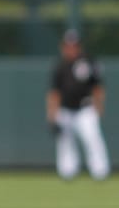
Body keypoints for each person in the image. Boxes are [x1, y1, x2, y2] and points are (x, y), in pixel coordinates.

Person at [46, 29, 110, 181]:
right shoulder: (60, 66)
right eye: (68, 45)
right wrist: (52, 115)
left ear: (79, 46)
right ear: (63, 47)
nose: (71, 48)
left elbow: (97, 86)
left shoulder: (88, 62)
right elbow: (54, 93)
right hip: (65, 110)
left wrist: (99, 107)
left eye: (74, 45)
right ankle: (67, 171)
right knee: (65, 142)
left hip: (85, 109)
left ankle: (100, 171)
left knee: (93, 138)